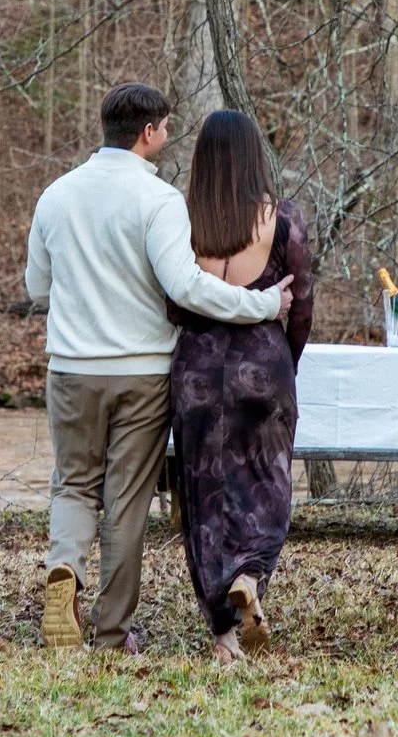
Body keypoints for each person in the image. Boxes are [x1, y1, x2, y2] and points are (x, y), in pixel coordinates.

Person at [24, 84, 291, 653]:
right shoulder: (159, 200)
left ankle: (65, 567)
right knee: (125, 502)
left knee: (72, 484)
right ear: (148, 133)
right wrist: (263, 306)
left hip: (70, 367)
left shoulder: (55, 195)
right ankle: (112, 631)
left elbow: (36, 286)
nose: (168, 138)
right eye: (166, 128)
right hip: (141, 371)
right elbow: (187, 288)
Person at [167, 110, 312, 661]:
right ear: (256, 157)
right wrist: (284, 364)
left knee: (204, 498)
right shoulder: (284, 220)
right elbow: (303, 308)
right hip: (263, 369)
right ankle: (250, 575)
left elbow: (174, 305)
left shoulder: (182, 223)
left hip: (199, 374)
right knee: (266, 488)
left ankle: (224, 636)